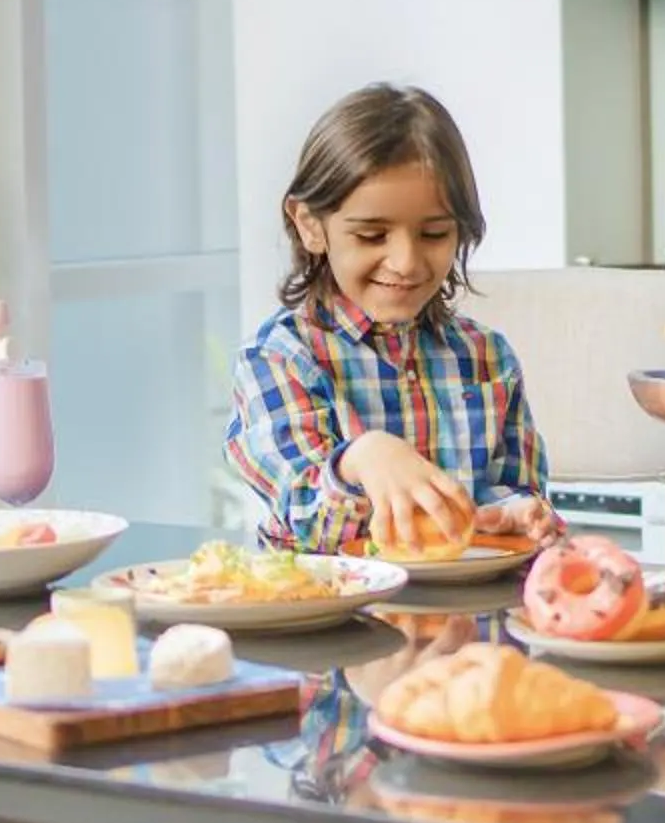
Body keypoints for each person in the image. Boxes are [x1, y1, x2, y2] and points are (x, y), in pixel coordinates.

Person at [226, 84, 557, 556]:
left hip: (462, 598)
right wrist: (362, 458)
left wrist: (515, 516)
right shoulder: (280, 358)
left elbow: (514, 490)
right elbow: (304, 519)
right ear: (310, 224)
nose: (405, 262)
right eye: (372, 235)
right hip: (325, 599)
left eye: (434, 234)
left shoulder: (487, 357)